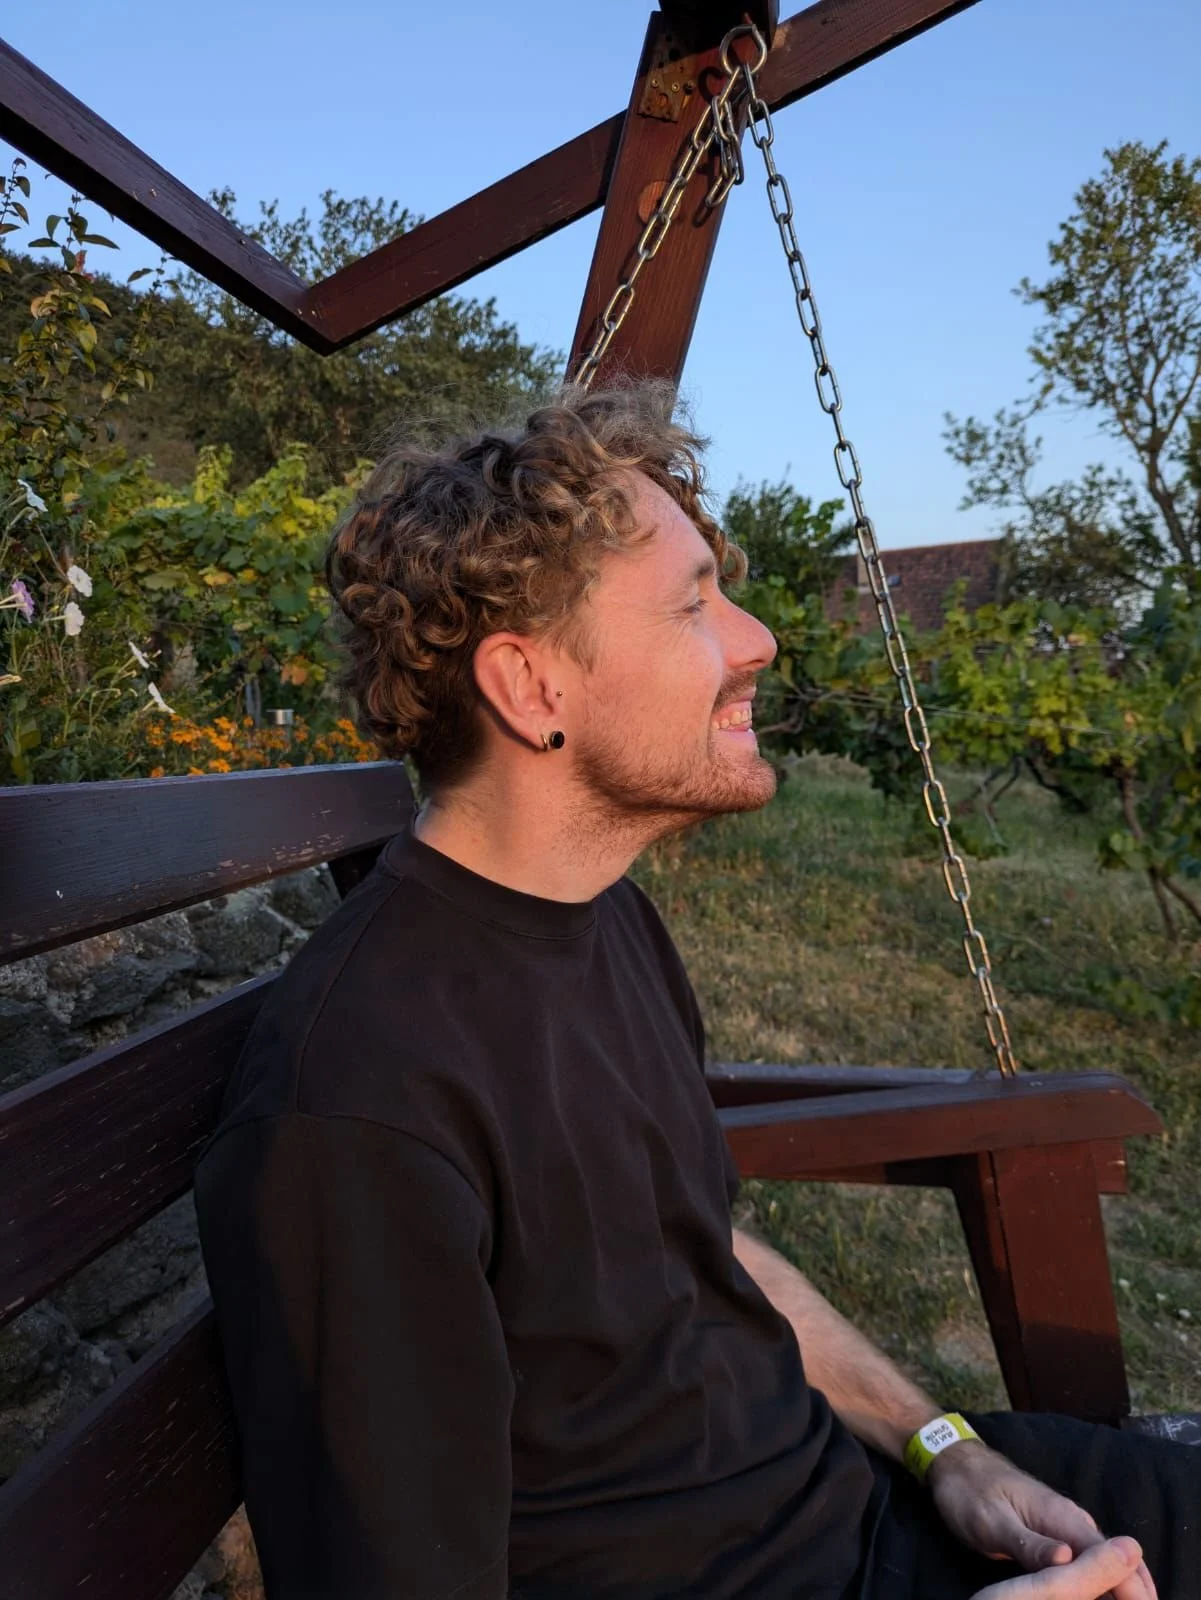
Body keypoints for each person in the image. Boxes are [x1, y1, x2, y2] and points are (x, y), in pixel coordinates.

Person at [194, 385, 1196, 1600]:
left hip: (882, 1512)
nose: (758, 636)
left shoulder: (602, 915)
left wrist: (946, 1450)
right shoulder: (358, 1103)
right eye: (693, 603)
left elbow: (706, 1252)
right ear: (530, 687)